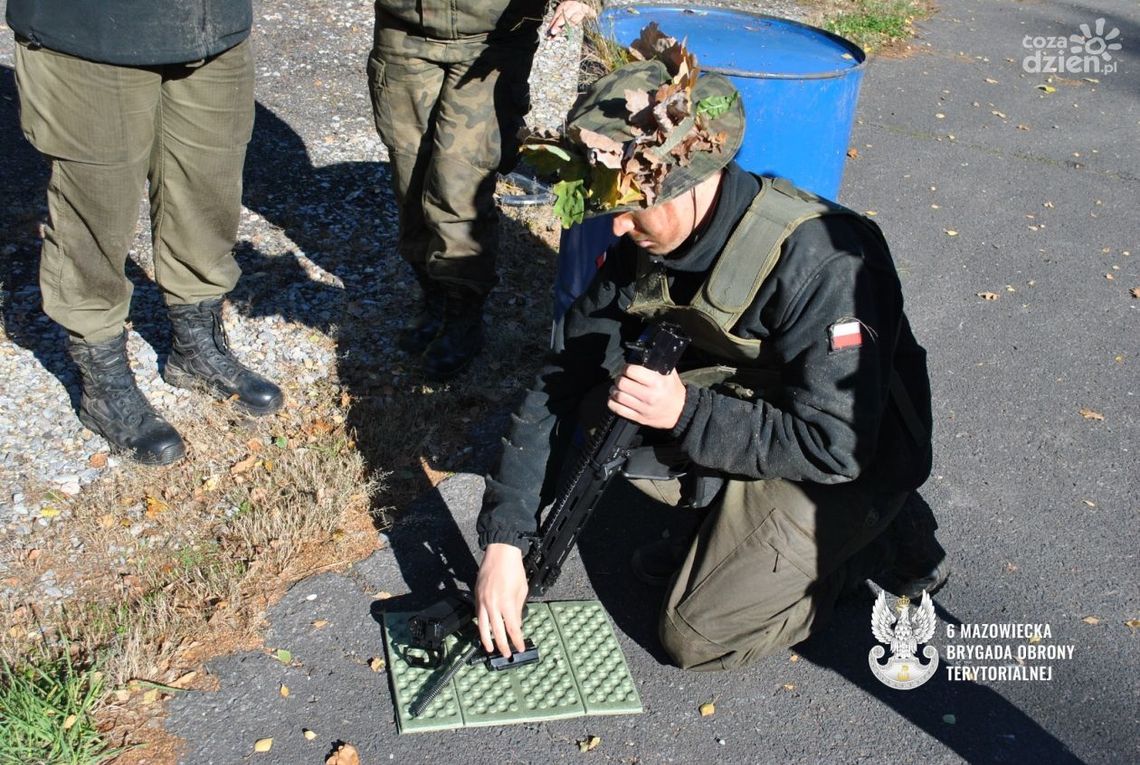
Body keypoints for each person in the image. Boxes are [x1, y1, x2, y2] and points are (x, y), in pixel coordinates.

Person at [473, 31, 950, 671]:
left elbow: (838, 445)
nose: (613, 225)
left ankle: (872, 545)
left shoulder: (825, 261)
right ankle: (731, 527)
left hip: (847, 457)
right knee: (595, 408)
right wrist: (506, 541)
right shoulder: (643, 242)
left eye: (630, 205)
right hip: (753, 411)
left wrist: (684, 415)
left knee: (694, 636)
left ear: (694, 178)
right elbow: (562, 379)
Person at [8, 0, 283, 466]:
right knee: (97, 208)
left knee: (207, 187)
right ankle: (102, 379)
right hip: (88, 31)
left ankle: (195, 348)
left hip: (212, 24)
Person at [367, 0, 596, 380]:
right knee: (410, 178)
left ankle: (463, 313)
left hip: (493, 37)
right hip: (403, 31)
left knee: (459, 182)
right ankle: (433, 300)